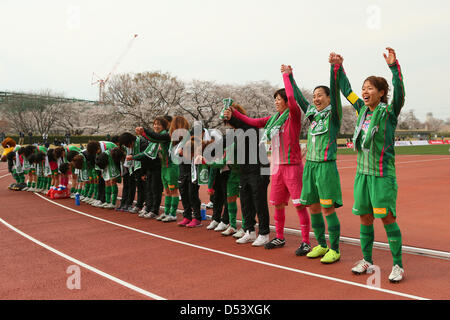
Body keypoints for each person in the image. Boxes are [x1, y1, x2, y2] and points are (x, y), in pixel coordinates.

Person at [334, 48, 406, 282]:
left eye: (370, 88)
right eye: (364, 88)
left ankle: (398, 265)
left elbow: (401, 94)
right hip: (362, 174)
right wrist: (338, 68)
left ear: (381, 92)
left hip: (382, 175)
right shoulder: (361, 109)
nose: (364, 92)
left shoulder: (389, 112)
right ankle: (367, 260)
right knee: (365, 218)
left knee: (386, 217)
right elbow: (346, 91)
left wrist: (394, 68)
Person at [228, 65, 311, 250]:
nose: (276, 101)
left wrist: (287, 77)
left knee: (299, 205)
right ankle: (279, 237)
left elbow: (292, 97)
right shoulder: (273, 119)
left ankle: (306, 241)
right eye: (275, 99)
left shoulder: (293, 115)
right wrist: (235, 113)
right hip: (276, 167)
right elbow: (252, 122)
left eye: (279, 99)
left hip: (292, 165)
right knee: (278, 204)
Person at [284, 59, 344, 262]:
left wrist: (333, 69)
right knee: (314, 207)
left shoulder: (333, 115)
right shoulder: (312, 114)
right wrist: (290, 77)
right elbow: (299, 99)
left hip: (326, 166)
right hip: (309, 165)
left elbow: (336, 93)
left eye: (320, 95)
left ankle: (334, 249)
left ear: (329, 98)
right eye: (314, 96)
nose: (316, 99)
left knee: (327, 207)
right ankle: (321, 245)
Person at [223, 103, 271, 246]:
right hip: (244, 172)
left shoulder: (251, 128)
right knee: (245, 202)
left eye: (231, 122)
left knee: (259, 203)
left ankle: (264, 233)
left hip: (259, 170)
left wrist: (232, 117)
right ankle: (249, 231)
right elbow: (221, 143)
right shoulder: (236, 133)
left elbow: (240, 123)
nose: (231, 126)